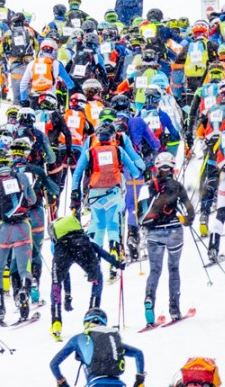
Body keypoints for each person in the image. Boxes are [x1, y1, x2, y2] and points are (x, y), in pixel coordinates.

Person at [139, 151, 192, 326]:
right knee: (173, 269)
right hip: (174, 232)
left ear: (156, 167)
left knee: (155, 270)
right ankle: (175, 310)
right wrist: (186, 221)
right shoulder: (177, 186)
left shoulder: (147, 187)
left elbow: (140, 214)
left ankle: (149, 302)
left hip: (154, 234)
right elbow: (189, 212)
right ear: (172, 167)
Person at [49, 307, 144, 387]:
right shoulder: (113, 340)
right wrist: (139, 379)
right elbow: (138, 353)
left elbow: (54, 364)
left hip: (95, 383)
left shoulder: (79, 338)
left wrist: (61, 381)